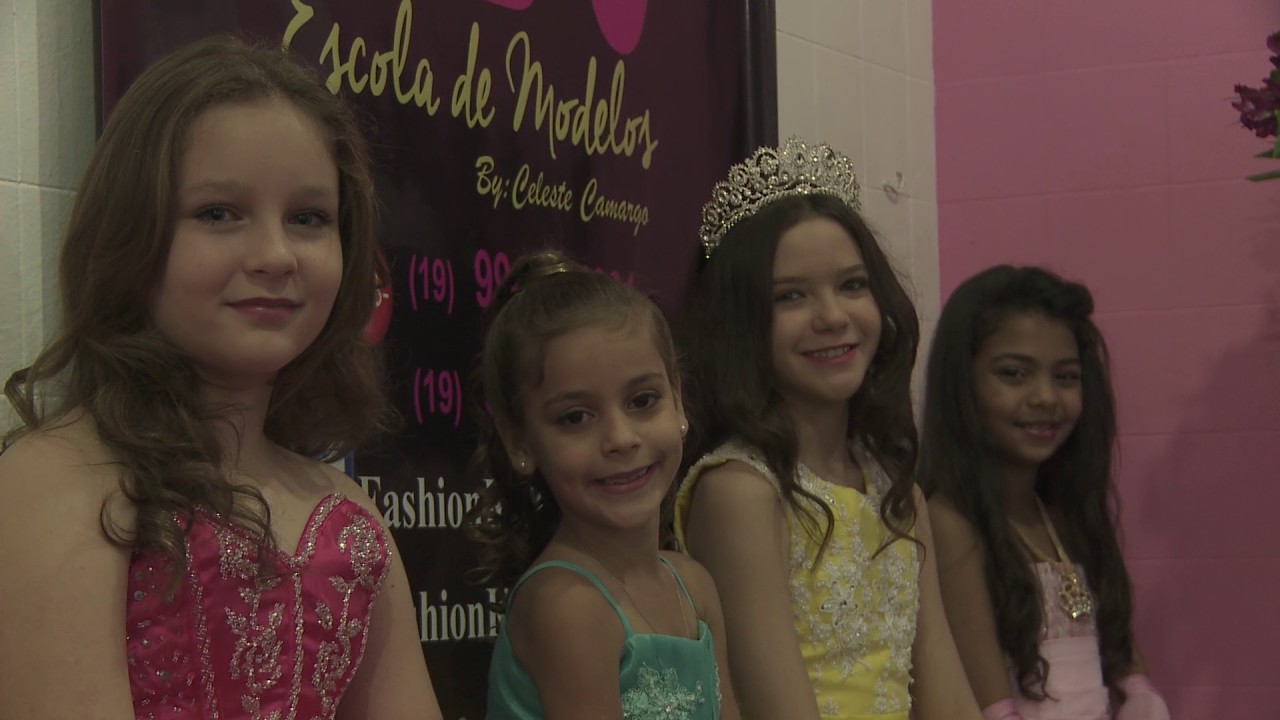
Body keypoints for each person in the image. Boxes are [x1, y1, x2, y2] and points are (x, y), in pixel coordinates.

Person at [0, 36, 443, 719]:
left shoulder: (350, 512)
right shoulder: (57, 479)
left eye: (308, 219)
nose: (275, 255)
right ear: (130, 231)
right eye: (218, 214)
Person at [674, 137, 981, 720]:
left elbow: (946, 695)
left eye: (852, 285)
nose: (833, 316)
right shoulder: (740, 493)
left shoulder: (897, 491)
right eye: (791, 296)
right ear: (739, 320)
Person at [469, 250, 739, 719]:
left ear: (678, 400)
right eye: (576, 417)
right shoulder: (567, 606)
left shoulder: (694, 585)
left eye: (643, 400)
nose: (620, 438)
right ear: (520, 440)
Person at [919, 265, 1169, 720]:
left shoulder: (1066, 517)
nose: (1046, 397)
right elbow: (991, 706)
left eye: (1066, 377)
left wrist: (1141, 696)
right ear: (963, 385)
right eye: (1014, 374)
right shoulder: (951, 521)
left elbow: (1125, 664)